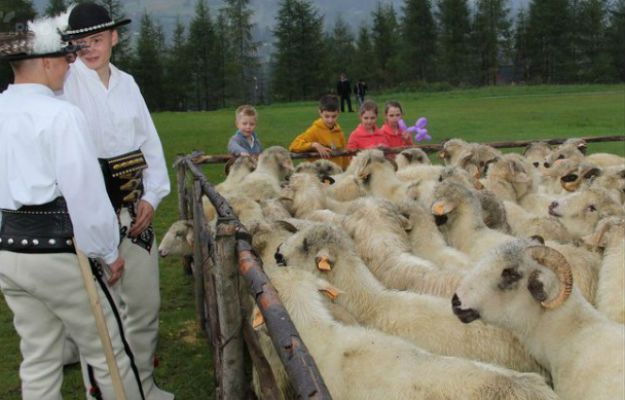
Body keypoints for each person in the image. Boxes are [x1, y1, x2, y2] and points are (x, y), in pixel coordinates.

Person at [0, 14, 143, 400]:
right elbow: (85, 195)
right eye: (66, 58)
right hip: (61, 253)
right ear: (47, 62)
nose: (71, 64)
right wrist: (109, 252)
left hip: (10, 252)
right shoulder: (61, 114)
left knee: (39, 356)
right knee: (108, 350)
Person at [60, 3, 173, 400]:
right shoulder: (65, 85)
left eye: (96, 39)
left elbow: (150, 146)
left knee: (144, 308)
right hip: (88, 218)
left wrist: (153, 198)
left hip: (135, 213)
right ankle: (104, 394)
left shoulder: (128, 83)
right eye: (81, 42)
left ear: (113, 37)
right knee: (100, 316)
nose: (89, 48)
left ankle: (142, 386)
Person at [288, 94, 349, 170]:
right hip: (319, 175)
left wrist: (346, 171)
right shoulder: (314, 130)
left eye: (334, 116)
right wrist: (314, 145)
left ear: (338, 113)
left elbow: (345, 157)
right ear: (320, 112)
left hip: (337, 175)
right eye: (327, 116)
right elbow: (293, 146)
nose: (330, 120)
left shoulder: (339, 133)